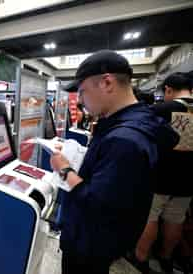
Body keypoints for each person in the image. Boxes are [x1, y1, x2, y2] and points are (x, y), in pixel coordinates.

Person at [49, 50, 179, 274]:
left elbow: (96, 204)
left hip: (89, 243)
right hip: (102, 240)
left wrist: (64, 169)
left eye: (82, 92)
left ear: (106, 83)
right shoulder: (131, 124)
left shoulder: (124, 139)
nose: (79, 101)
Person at [135, 72, 193, 274]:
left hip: (161, 175)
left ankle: (141, 257)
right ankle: (166, 258)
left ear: (168, 89)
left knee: (150, 217)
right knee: (175, 219)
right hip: (188, 180)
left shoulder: (162, 109)